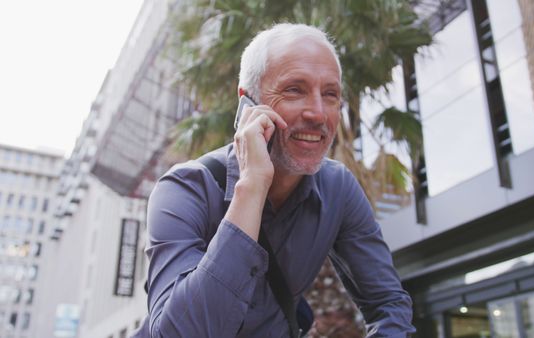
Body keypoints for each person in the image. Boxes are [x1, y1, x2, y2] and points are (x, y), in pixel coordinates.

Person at [138, 23, 415, 337]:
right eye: (294, 89)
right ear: (248, 103)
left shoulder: (338, 187)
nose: (318, 113)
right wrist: (252, 186)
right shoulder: (184, 190)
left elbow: (389, 304)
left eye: (330, 94)